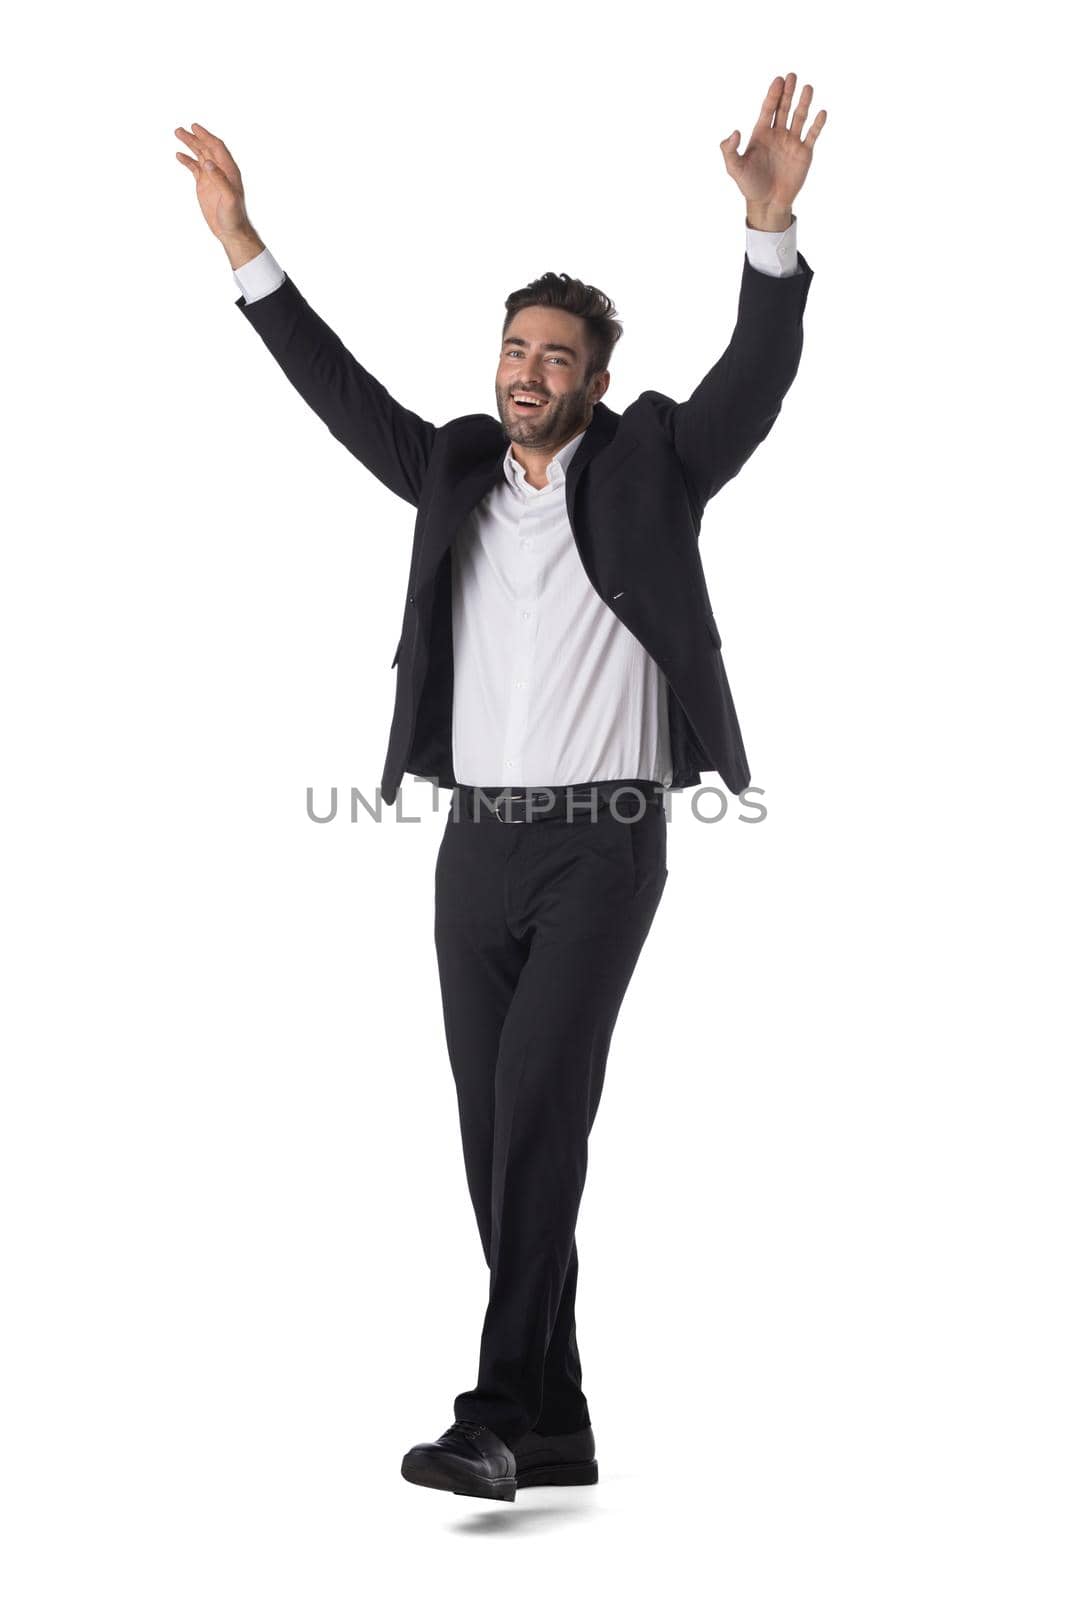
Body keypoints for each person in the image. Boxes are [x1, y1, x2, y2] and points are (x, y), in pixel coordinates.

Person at [175, 71, 826, 1504]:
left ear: (594, 375)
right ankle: (559, 1422)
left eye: (555, 356)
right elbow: (340, 396)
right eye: (514, 349)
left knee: (538, 1103)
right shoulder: (457, 469)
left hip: (604, 839)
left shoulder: (654, 462)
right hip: (472, 846)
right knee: (493, 1132)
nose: (527, 371)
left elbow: (752, 384)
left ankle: (487, 1410)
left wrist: (768, 240)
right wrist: (245, 246)